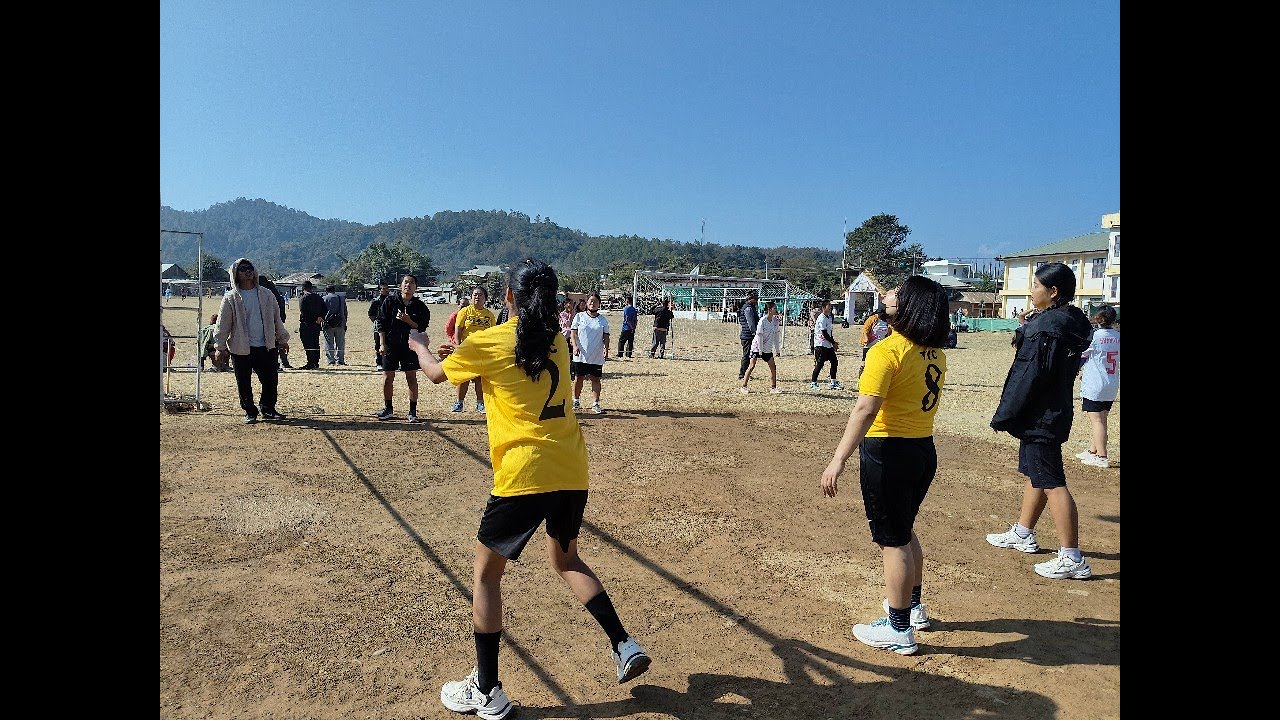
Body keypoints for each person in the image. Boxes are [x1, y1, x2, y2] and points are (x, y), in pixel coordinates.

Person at [406, 259, 650, 719]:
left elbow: (438, 375)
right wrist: (465, 354)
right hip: (570, 470)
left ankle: (487, 688)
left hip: (524, 475)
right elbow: (514, 363)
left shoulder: (493, 341)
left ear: (509, 298)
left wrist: (420, 347)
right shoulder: (556, 341)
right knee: (567, 559)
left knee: (485, 576)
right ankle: (622, 642)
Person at [819, 276, 951, 655]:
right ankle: (914, 607)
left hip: (888, 452)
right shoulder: (934, 352)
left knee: (893, 540)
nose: (888, 297)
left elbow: (865, 408)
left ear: (910, 306)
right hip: (922, 450)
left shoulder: (886, 349)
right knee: (905, 530)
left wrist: (837, 459)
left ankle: (898, 628)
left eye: (897, 294)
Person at [985, 262, 1094, 580]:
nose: (1032, 291)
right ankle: (1023, 532)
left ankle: (1072, 557)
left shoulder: (1048, 327)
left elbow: (1030, 374)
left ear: (1053, 292)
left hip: (1041, 415)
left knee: (1052, 482)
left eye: (1036, 286)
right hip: (1053, 410)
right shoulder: (1068, 322)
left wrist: (1008, 411)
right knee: (1036, 474)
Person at [212, 258, 291, 424]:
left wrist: (282, 339)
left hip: (267, 345)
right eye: (242, 269)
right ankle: (250, 412)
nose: (247, 271)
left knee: (270, 380)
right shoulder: (230, 298)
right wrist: (220, 347)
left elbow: (277, 319)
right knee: (244, 382)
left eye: (249, 268)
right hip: (241, 348)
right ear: (235, 274)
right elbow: (222, 324)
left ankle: (268, 409)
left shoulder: (266, 294)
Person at [375, 274, 430, 422]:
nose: (408, 285)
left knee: (411, 377)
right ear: (400, 285)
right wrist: (382, 343)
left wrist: (408, 320)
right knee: (387, 378)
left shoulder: (420, 306)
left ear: (416, 288)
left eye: (412, 283)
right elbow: (380, 323)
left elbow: (421, 327)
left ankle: (412, 412)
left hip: (410, 346)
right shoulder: (390, 301)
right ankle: (388, 409)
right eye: (406, 282)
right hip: (391, 345)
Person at [1076, 305, 1120, 469]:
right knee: (1102, 419)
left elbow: (1082, 355)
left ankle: (1102, 456)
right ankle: (1093, 451)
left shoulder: (1094, 336)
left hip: (1095, 384)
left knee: (1097, 421)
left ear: (1097, 318)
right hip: (1111, 383)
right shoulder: (1118, 336)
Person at [452, 287, 496, 413]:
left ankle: (480, 403)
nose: (477, 297)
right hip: (466, 349)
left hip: (482, 351)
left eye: (480, 295)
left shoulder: (489, 315)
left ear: (486, 298)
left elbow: (492, 333)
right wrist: (458, 345)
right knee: (464, 377)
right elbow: (458, 329)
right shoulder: (465, 311)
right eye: (475, 295)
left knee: (479, 378)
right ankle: (459, 403)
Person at [571, 292, 610, 414]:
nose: (593, 303)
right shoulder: (579, 316)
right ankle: (576, 401)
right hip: (581, 355)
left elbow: (606, 336)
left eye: (595, 301)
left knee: (596, 379)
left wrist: (606, 349)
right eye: (591, 301)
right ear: (586, 303)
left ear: (599, 304)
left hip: (596, 355)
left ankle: (595, 404)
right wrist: (575, 346)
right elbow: (573, 333)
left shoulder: (602, 320)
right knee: (579, 378)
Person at [740, 301, 782, 394]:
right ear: (769, 310)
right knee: (752, 366)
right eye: (774, 308)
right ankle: (744, 386)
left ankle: (773, 388)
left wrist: (777, 350)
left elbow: (776, 336)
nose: (776, 310)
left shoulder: (775, 321)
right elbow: (759, 336)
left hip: (767, 348)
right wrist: (759, 350)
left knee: (773, 367)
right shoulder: (763, 320)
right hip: (757, 347)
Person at [259, 277, 292, 369]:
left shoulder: (264, 294)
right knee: (280, 342)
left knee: (271, 344)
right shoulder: (276, 295)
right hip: (278, 322)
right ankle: (284, 362)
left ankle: (274, 364)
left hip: (267, 323)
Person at [810, 301, 845, 390]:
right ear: (824, 307)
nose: (830, 308)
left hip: (828, 345)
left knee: (834, 362)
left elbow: (829, 332)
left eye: (831, 306)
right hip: (821, 344)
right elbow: (824, 333)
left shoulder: (829, 317)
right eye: (829, 306)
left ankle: (833, 382)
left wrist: (833, 343)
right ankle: (813, 383)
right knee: (820, 364)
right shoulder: (821, 318)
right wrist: (833, 342)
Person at [297, 280, 326, 369]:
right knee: (315, 343)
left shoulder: (303, 298)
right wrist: (320, 317)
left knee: (308, 344)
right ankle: (316, 362)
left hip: (307, 324)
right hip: (316, 324)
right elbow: (325, 309)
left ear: (303, 288)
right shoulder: (318, 297)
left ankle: (310, 362)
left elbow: (303, 312)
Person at [858, 306, 893, 379]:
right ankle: (861, 379)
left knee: (878, 364)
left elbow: (889, 333)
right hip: (869, 345)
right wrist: (866, 338)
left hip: (880, 346)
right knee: (865, 364)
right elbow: (865, 329)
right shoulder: (873, 318)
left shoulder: (887, 321)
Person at [322, 285, 349, 366]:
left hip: (328, 324)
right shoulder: (341, 298)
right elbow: (345, 312)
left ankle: (331, 360)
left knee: (329, 342)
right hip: (340, 323)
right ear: (334, 290)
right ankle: (340, 360)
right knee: (340, 343)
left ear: (326, 291)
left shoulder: (324, 298)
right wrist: (345, 323)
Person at [737, 291, 760, 380]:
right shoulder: (748, 309)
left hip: (748, 335)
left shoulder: (750, 307)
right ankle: (742, 375)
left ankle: (746, 373)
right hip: (748, 335)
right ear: (751, 299)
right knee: (746, 355)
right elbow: (751, 324)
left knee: (749, 355)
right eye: (756, 299)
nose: (757, 301)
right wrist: (755, 334)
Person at [368, 284, 390, 370]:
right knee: (378, 344)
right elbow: (370, 314)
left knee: (390, 344)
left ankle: (389, 363)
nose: (386, 290)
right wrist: (377, 322)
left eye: (387, 289)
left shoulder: (392, 300)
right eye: (384, 289)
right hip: (378, 327)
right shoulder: (376, 301)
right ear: (380, 290)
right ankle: (379, 363)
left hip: (390, 326)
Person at [617, 294, 638, 359]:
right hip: (632, 328)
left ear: (627, 301)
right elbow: (636, 320)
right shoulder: (634, 309)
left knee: (621, 341)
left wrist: (631, 327)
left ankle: (620, 354)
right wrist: (634, 328)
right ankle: (629, 354)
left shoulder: (626, 308)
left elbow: (627, 319)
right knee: (630, 341)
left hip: (626, 328)